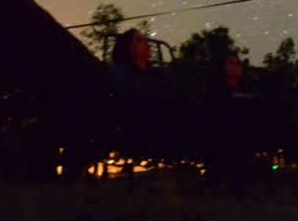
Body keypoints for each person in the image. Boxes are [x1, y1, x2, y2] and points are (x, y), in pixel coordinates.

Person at [106, 29, 192, 158]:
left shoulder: (155, 74)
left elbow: (179, 88)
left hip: (165, 116)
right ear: (128, 48)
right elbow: (130, 91)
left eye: (145, 39)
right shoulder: (119, 71)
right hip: (136, 122)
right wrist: (157, 90)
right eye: (139, 40)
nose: (146, 43)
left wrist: (150, 85)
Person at [201, 54, 272, 193]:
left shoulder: (247, 91)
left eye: (237, 63)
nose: (235, 66)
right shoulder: (215, 89)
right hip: (220, 131)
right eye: (230, 63)